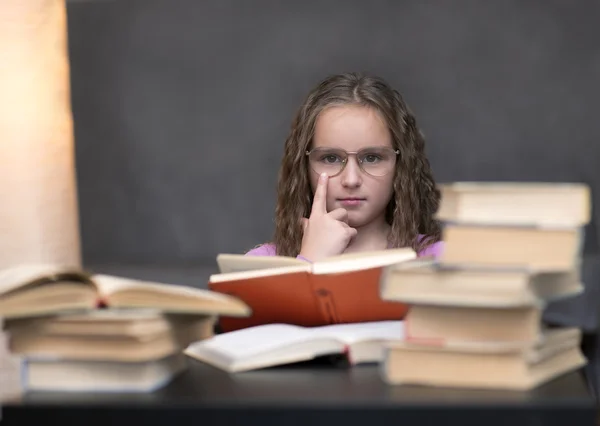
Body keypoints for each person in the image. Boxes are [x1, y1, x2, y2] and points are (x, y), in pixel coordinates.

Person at [247, 72, 443, 262]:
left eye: (372, 158)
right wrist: (310, 261)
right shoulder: (262, 265)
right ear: (303, 166)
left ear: (400, 165)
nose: (351, 180)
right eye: (331, 158)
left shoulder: (440, 260)